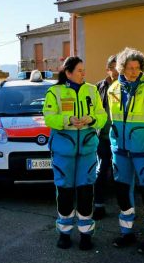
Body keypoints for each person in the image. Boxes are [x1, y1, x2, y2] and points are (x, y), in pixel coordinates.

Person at [42, 56, 107, 250]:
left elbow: (102, 116)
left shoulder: (92, 90)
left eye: (83, 70)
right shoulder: (54, 92)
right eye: (79, 70)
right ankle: (65, 233)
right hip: (64, 150)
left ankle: (86, 234)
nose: (83, 73)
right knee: (65, 191)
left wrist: (91, 119)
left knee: (86, 190)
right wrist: (67, 119)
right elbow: (49, 118)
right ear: (68, 73)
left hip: (87, 148)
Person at [109, 48, 144, 253]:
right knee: (123, 191)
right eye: (129, 68)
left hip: (143, 150)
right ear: (121, 68)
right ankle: (126, 232)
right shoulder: (113, 89)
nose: (133, 72)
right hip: (120, 150)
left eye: (137, 68)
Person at [93, 55, 118, 220]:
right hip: (102, 137)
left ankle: (125, 207)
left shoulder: (126, 86)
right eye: (114, 67)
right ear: (108, 69)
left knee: (120, 171)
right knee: (101, 170)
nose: (118, 71)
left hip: (120, 137)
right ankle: (99, 205)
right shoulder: (99, 87)